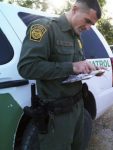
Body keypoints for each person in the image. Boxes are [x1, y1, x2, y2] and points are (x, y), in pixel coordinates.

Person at [17, 0, 101, 149]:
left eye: (92, 25)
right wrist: (71, 67)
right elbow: (27, 67)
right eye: (87, 21)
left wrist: (90, 68)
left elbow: (77, 65)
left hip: (78, 107)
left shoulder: (77, 36)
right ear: (75, 9)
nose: (88, 28)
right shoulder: (45, 28)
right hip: (57, 115)